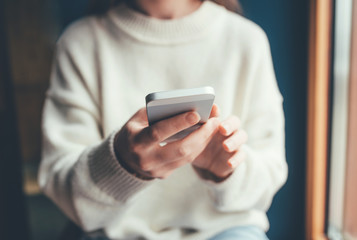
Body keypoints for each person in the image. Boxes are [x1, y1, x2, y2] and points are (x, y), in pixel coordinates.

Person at [39, 0, 288, 239]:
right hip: (112, 234)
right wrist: (121, 164)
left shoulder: (246, 40)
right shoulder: (80, 43)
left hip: (226, 231)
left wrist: (224, 170)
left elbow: (269, 176)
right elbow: (64, 188)